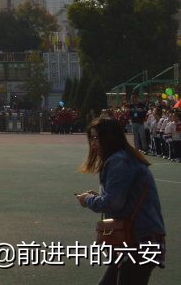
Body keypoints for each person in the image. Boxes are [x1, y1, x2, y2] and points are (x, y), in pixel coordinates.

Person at [76, 117, 166, 285]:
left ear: (109, 138)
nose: (93, 143)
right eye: (91, 138)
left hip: (138, 239)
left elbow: (112, 203)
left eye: (97, 137)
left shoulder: (118, 160)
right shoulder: (125, 157)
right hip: (141, 238)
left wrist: (87, 199)